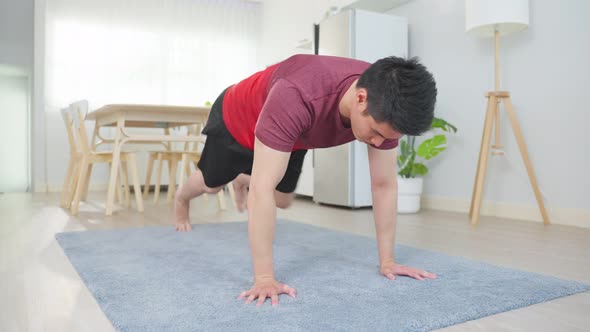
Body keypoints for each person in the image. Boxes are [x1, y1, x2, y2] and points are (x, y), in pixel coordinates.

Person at [174, 54, 438, 306]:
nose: (380, 143)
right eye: (376, 133)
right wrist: (264, 279)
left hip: (294, 132)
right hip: (237, 117)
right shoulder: (297, 95)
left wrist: (388, 261)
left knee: (282, 200)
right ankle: (181, 198)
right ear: (360, 98)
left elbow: (383, 184)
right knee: (212, 184)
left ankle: (245, 178)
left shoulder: (386, 100)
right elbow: (262, 189)